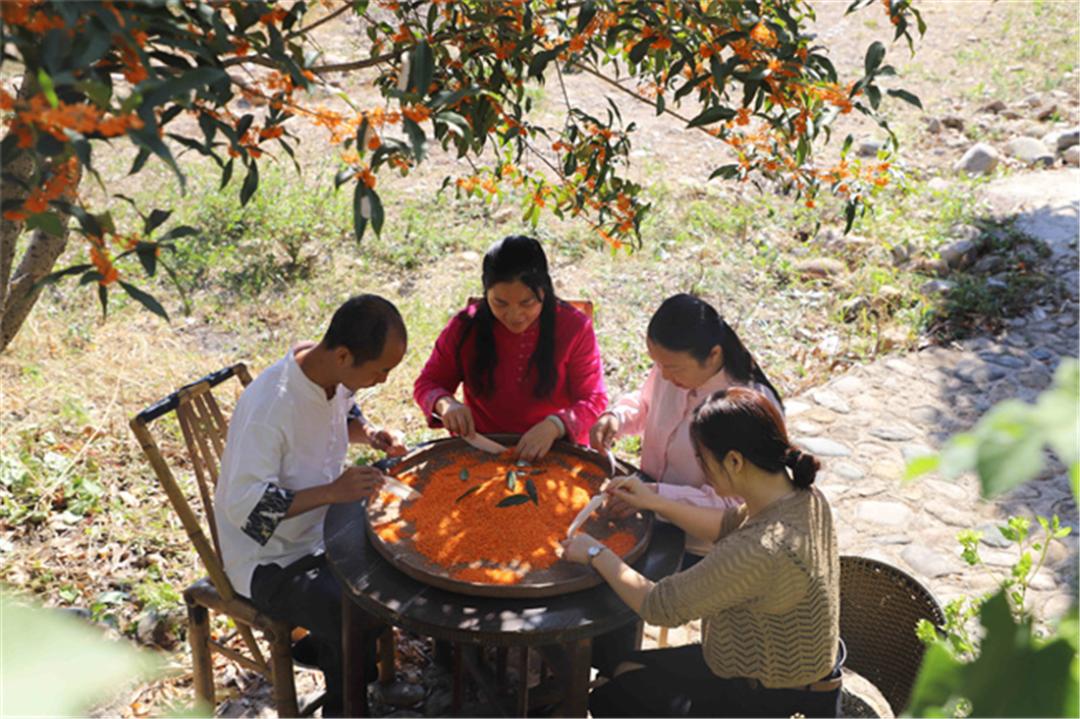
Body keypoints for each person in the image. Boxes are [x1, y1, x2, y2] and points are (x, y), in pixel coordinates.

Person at [563, 387, 841, 718]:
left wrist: (596, 552)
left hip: (774, 698)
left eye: (702, 460)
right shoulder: (802, 497)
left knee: (611, 696)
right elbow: (726, 524)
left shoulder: (760, 550)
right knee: (623, 667)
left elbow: (659, 606)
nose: (700, 468)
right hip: (777, 670)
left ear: (734, 461)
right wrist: (652, 499)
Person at [214, 294, 408, 717]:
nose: (384, 379)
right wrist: (331, 492)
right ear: (343, 354)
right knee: (352, 607)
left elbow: (343, 410)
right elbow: (246, 511)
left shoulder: (328, 372)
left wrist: (370, 433)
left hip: (322, 528)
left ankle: (338, 656)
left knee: (392, 566)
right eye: (381, 370)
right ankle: (344, 705)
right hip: (269, 560)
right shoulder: (272, 406)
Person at [590, 293, 783, 565]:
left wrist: (655, 497)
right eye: (659, 365)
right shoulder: (671, 370)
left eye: (673, 368)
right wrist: (617, 418)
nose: (665, 376)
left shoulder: (744, 406)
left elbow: (735, 508)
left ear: (714, 354)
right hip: (650, 519)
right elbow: (646, 404)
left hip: (703, 548)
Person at [414, 235, 607, 460]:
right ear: (486, 293)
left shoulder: (574, 328)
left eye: (527, 303)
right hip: (484, 449)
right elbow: (428, 383)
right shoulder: (466, 327)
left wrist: (555, 426)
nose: (514, 316)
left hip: (554, 449)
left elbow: (595, 399)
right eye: (500, 303)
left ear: (544, 290)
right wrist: (444, 403)